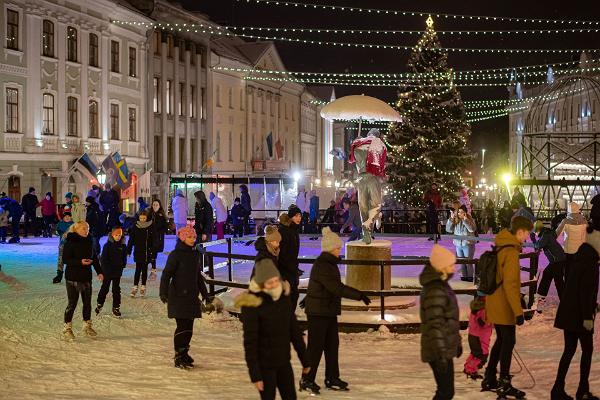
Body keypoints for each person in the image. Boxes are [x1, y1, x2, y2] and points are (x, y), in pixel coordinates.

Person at [300, 227, 370, 394]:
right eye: (338, 248)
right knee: (315, 348)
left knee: (332, 346)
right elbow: (335, 288)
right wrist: (359, 295)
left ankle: (332, 377)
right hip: (318, 313)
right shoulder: (324, 265)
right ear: (330, 249)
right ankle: (307, 380)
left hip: (327, 310)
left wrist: (309, 297)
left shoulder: (328, 264)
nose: (340, 250)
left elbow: (320, 286)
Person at [236, 258, 310, 399]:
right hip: (264, 366)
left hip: (283, 362)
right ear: (261, 284)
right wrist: (255, 375)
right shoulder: (252, 305)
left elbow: (294, 332)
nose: (274, 285)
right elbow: (250, 342)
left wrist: (305, 360)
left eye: (276, 280)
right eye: (270, 283)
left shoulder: (283, 299)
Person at [482, 216, 533, 398]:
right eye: (527, 234)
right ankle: (504, 382)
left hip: (494, 300)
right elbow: (511, 285)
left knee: (502, 340)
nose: (527, 238)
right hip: (504, 304)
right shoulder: (510, 252)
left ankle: (489, 376)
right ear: (520, 231)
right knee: (508, 341)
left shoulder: (501, 244)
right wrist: (518, 312)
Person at [551, 243, 599, 400]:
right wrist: (587, 317)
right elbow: (585, 294)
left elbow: (577, 289)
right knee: (587, 350)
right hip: (579, 316)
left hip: (568, 313)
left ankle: (557, 389)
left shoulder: (578, 261)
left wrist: (594, 305)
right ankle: (582, 391)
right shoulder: (591, 265)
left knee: (569, 350)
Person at [159, 226, 210, 368]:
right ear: (182, 238)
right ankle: (178, 354)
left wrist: (205, 295)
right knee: (182, 326)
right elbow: (166, 274)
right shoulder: (175, 255)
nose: (193, 240)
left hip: (192, 297)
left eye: (194, 237)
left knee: (189, 327)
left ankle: (185, 352)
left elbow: (198, 277)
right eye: (190, 237)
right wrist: (163, 292)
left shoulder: (194, 255)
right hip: (178, 296)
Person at [419, 244, 462, 400]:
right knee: (445, 392)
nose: (454, 268)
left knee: (445, 391)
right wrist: (441, 355)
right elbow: (435, 324)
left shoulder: (441, 286)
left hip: (442, 348)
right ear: (442, 267)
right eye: (451, 265)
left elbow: (448, 320)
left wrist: (456, 342)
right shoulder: (435, 289)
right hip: (438, 350)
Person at [61, 221, 103, 339]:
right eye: (83, 228)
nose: (86, 231)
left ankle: (87, 325)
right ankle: (67, 328)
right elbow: (65, 260)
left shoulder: (89, 241)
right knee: (72, 303)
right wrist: (80, 262)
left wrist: (99, 271)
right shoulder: (70, 242)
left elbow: (94, 257)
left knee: (87, 304)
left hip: (86, 277)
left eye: (87, 228)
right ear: (76, 230)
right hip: (72, 277)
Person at [531, 220, 567, 312]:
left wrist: (534, 240)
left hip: (557, 261)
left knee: (557, 281)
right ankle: (541, 300)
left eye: (535, 231)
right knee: (548, 276)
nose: (535, 233)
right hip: (558, 260)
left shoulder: (545, 235)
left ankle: (566, 303)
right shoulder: (548, 233)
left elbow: (538, 245)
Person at [95, 227, 127, 317]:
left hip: (117, 272)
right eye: (116, 235)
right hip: (107, 272)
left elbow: (124, 257)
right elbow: (103, 259)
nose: (118, 237)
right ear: (112, 235)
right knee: (105, 288)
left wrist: (123, 265)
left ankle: (116, 307)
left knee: (116, 290)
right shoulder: (107, 246)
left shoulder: (123, 246)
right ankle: (99, 304)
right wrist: (105, 270)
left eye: (119, 235)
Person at [278, 205, 302, 312]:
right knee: (289, 297)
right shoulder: (285, 231)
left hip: (292, 269)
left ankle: (288, 320)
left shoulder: (293, 230)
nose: (299, 218)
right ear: (291, 217)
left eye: (300, 216)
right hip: (285, 271)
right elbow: (283, 254)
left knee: (293, 296)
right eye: (296, 216)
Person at [464, 296, 493, 380]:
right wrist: (492, 320)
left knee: (474, 354)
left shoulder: (475, 309)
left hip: (473, 335)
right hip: (480, 337)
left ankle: (468, 367)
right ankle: (471, 369)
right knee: (482, 356)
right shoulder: (483, 311)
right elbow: (483, 323)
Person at [127, 210, 155, 298]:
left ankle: (143, 286)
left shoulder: (150, 227)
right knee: (137, 270)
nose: (142, 219)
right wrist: (129, 250)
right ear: (138, 218)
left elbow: (154, 240)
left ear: (146, 218)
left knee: (144, 270)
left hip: (146, 252)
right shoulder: (135, 227)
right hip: (138, 251)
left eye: (144, 218)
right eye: (141, 218)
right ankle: (135, 287)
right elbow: (131, 240)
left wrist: (153, 250)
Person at [556, 202, 587, 280]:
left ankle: (568, 289)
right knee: (579, 272)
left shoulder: (565, 221)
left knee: (568, 271)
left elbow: (556, 234)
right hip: (580, 251)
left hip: (568, 251)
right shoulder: (584, 221)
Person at [446, 205, 477, 281]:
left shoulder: (470, 219)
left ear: (465, 213)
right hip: (458, 245)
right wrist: (451, 218)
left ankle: (470, 278)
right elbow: (448, 230)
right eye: (458, 212)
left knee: (468, 262)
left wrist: (465, 220)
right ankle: (464, 278)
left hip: (467, 244)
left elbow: (472, 229)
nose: (459, 214)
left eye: (461, 212)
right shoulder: (456, 220)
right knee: (461, 262)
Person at [148, 199, 168, 279]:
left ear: (159, 206)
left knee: (153, 254)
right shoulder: (149, 215)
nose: (155, 206)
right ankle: (152, 270)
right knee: (150, 254)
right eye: (154, 205)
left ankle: (153, 271)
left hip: (157, 239)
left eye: (156, 205)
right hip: (150, 238)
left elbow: (165, 228)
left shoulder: (162, 216)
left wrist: (158, 232)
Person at [53, 212, 73, 284]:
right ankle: (59, 275)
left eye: (68, 216)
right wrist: (57, 232)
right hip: (63, 245)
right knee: (61, 259)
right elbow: (55, 231)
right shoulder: (60, 224)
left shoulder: (74, 225)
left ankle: (71, 274)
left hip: (72, 245)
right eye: (65, 216)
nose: (67, 217)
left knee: (71, 260)